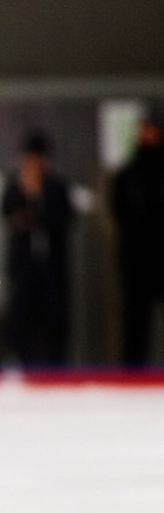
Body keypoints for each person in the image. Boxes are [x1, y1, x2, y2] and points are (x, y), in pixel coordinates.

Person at [1, 130, 75, 366]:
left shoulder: (56, 186)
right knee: (22, 314)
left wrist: (38, 200)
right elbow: (7, 215)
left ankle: (56, 364)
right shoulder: (14, 184)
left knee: (54, 315)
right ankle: (23, 361)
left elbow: (64, 217)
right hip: (23, 265)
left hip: (52, 265)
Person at [111, 109, 164, 366]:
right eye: (145, 128)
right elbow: (119, 212)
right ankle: (132, 372)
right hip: (136, 260)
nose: (148, 134)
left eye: (153, 129)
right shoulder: (128, 175)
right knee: (135, 322)